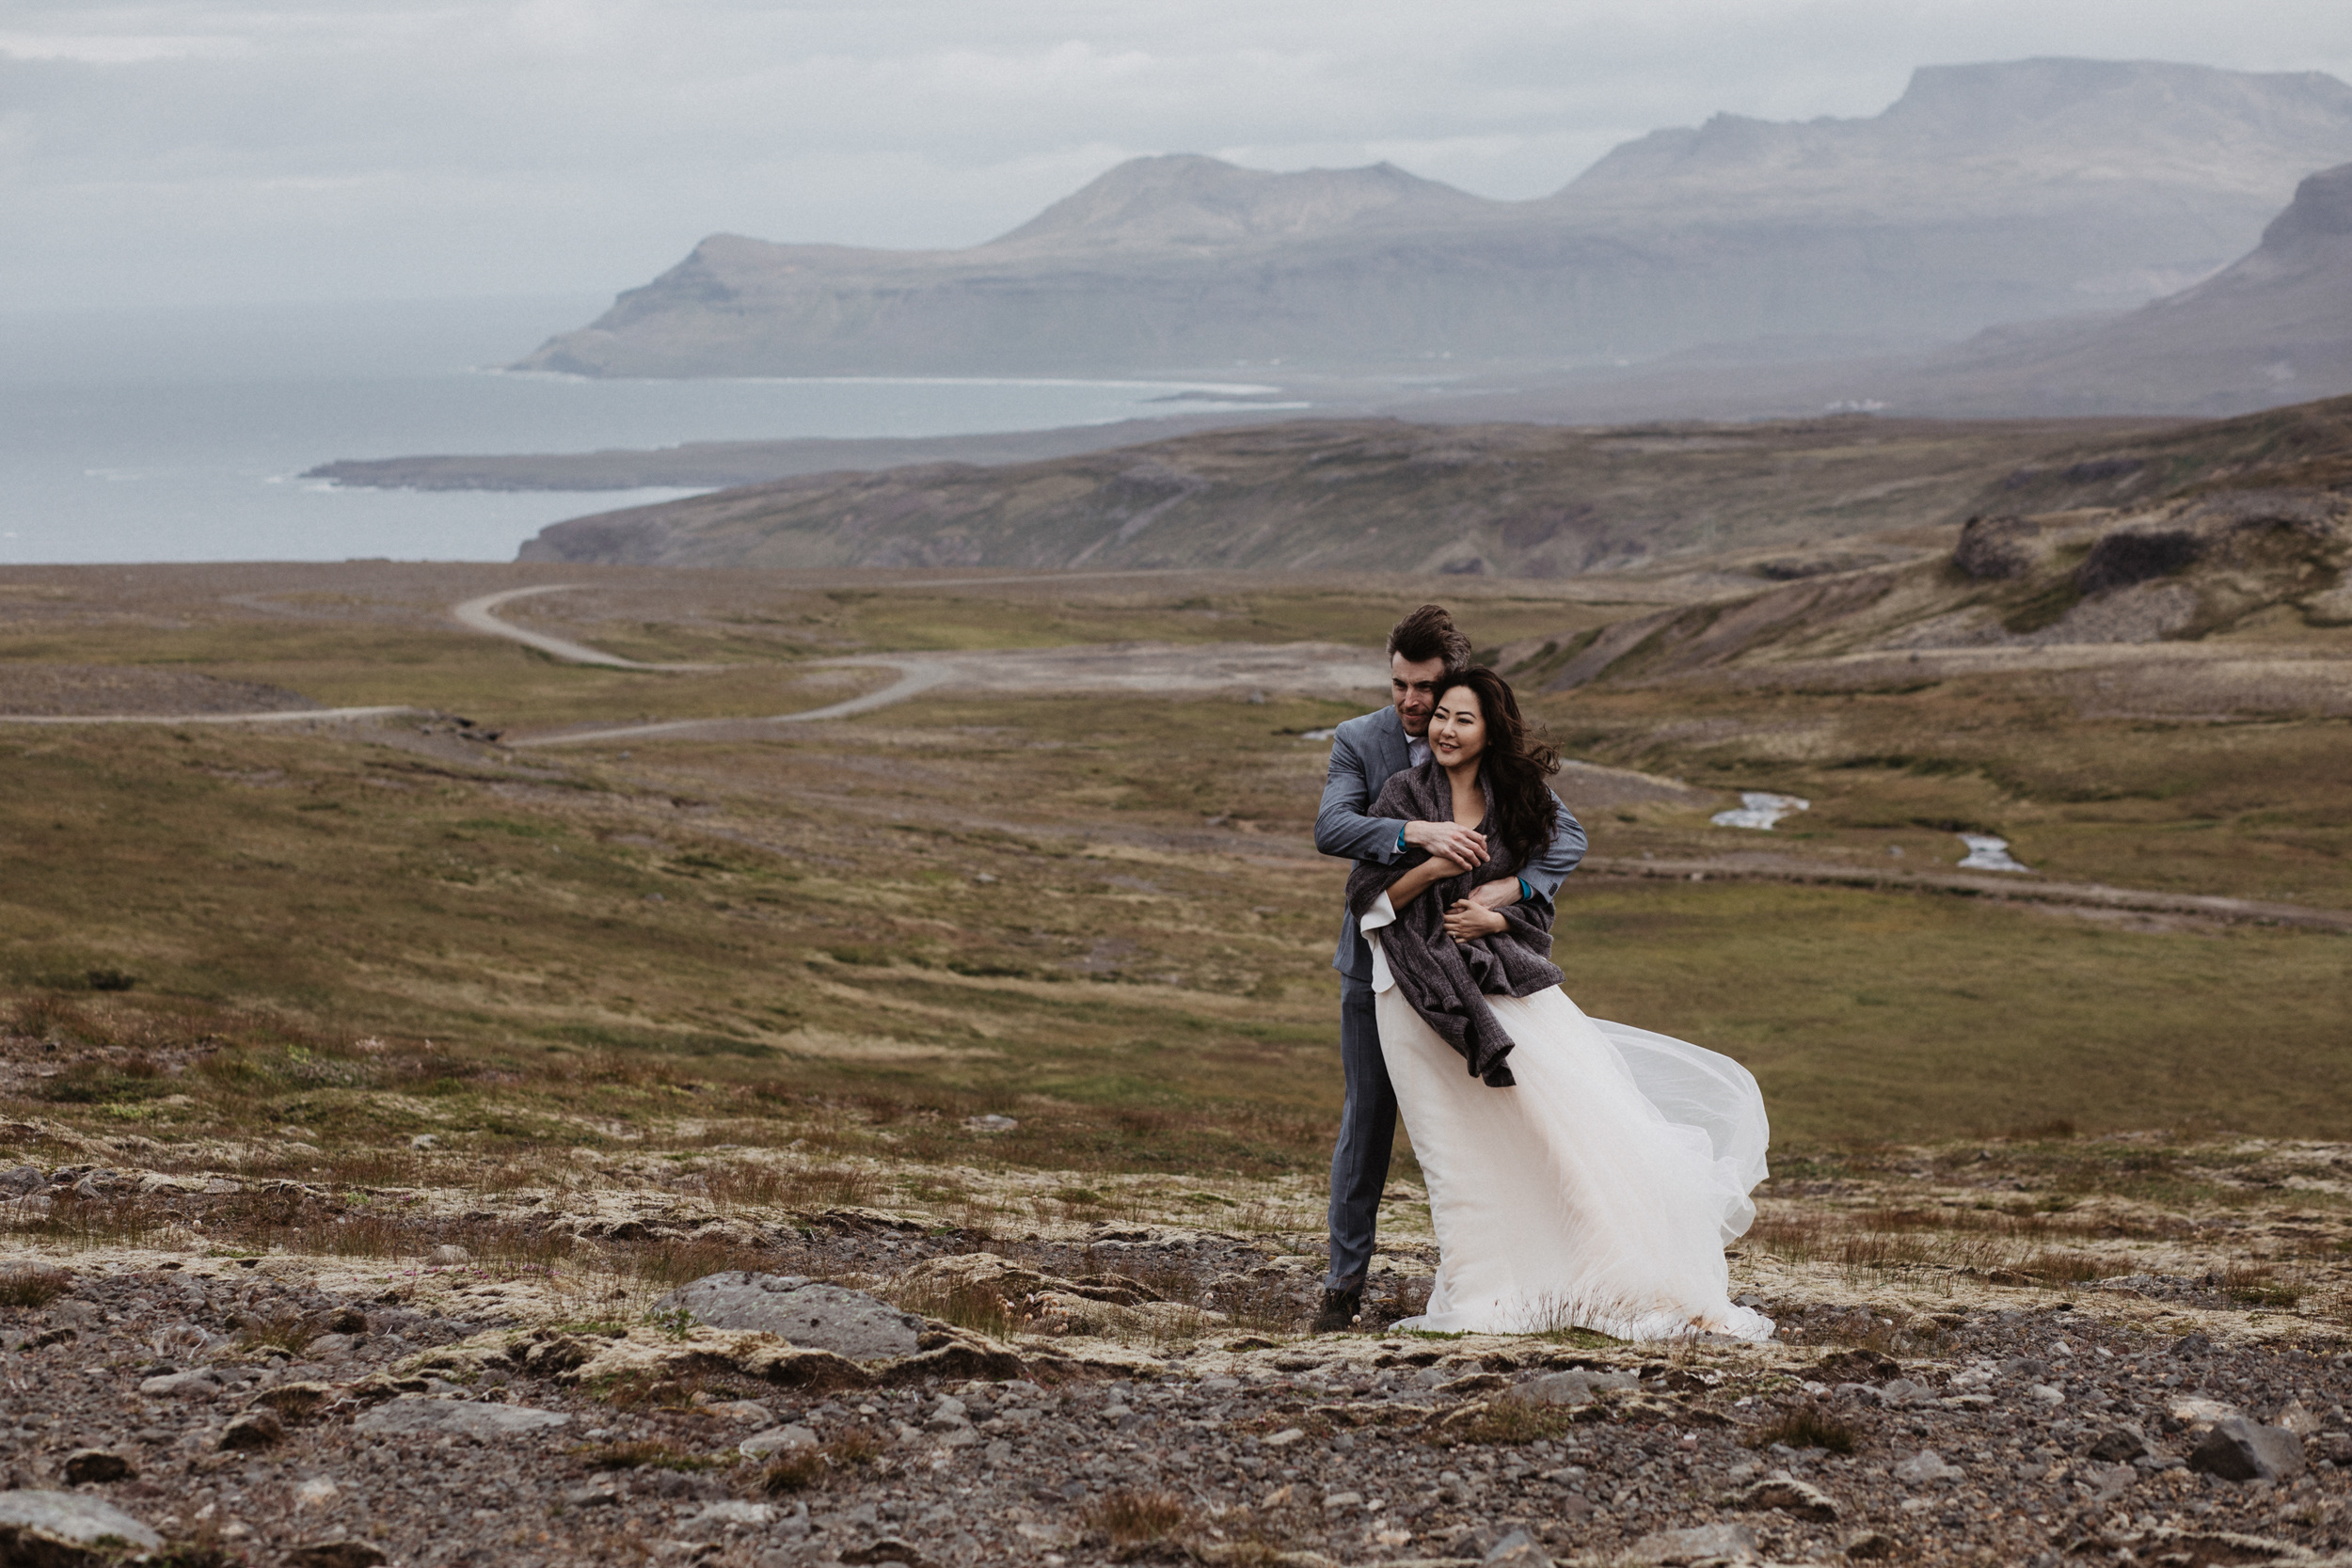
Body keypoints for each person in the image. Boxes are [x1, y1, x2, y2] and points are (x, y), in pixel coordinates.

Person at [1344, 666, 1772, 1340]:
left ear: (1490, 731)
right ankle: (1476, 1295)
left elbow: (1558, 853)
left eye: (1464, 718)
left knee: (1554, 1138)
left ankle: (1590, 1277)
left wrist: (1500, 906)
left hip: (1496, 989)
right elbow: (1367, 898)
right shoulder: (1402, 792)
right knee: (1451, 1155)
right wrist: (1431, 862)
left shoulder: (1515, 797)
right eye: (1440, 716)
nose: (1446, 729)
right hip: (1411, 995)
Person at [1311, 605, 1586, 1333]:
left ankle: (1492, 1277)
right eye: (1398, 683)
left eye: (1425, 687)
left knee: (1479, 1129)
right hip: (1377, 970)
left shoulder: (1481, 747)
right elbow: (1332, 828)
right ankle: (1342, 1289)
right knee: (1366, 1125)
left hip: (1469, 974)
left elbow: (1568, 835)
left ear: (1452, 682)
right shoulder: (1358, 741)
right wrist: (1418, 834)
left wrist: (1511, 891)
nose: (1410, 703)